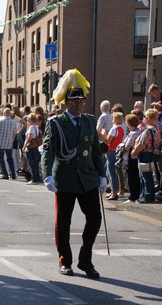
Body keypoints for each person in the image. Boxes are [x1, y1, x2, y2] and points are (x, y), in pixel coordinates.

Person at [41, 87, 106, 279]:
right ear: (66, 103)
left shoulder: (89, 120)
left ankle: (85, 259)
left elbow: (95, 150)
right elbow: (48, 150)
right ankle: (65, 260)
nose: (78, 104)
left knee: (95, 218)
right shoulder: (56, 123)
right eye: (74, 102)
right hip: (65, 178)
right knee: (63, 222)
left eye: (81, 101)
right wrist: (47, 175)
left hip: (87, 178)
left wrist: (102, 175)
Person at [131, 108, 161, 203]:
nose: (143, 118)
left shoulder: (148, 130)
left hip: (145, 154)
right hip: (153, 153)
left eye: (145, 116)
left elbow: (142, 144)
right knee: (148, 176)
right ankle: (147, 196)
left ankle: (146, 196)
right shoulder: (156, 129)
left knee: (145, 176)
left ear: (148, 118)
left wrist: (134, 151)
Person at [101, 112, 125, 200]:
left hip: (111, 151)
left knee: (111, 173)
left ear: (114, 120)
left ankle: (114, 192)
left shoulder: (113, 129)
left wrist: (103, 134)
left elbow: (107, 141)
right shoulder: (121, 128)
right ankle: (113, 191)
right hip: (117, 151)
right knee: (110, 172)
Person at [0, 108, 18, 180]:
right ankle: (13, 174)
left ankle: (5, 174)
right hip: (9, 143)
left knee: (1, 159)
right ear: (9, 114)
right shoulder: (13, 122)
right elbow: (14, 133)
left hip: (0, 142)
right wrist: (11, 140)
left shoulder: (0, 121)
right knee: (10, 159)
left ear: (4, 113)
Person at [22, 113, 41, 185]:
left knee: (32, 164)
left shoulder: (31, 127)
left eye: (27, 120)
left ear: (30, 119)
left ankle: (34, 179)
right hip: (35, 147)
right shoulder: (36, 127)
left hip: (30, 147)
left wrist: (25, 145)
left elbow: (30, 136)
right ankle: (36, 179)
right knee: (35, 164)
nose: (27, 121)